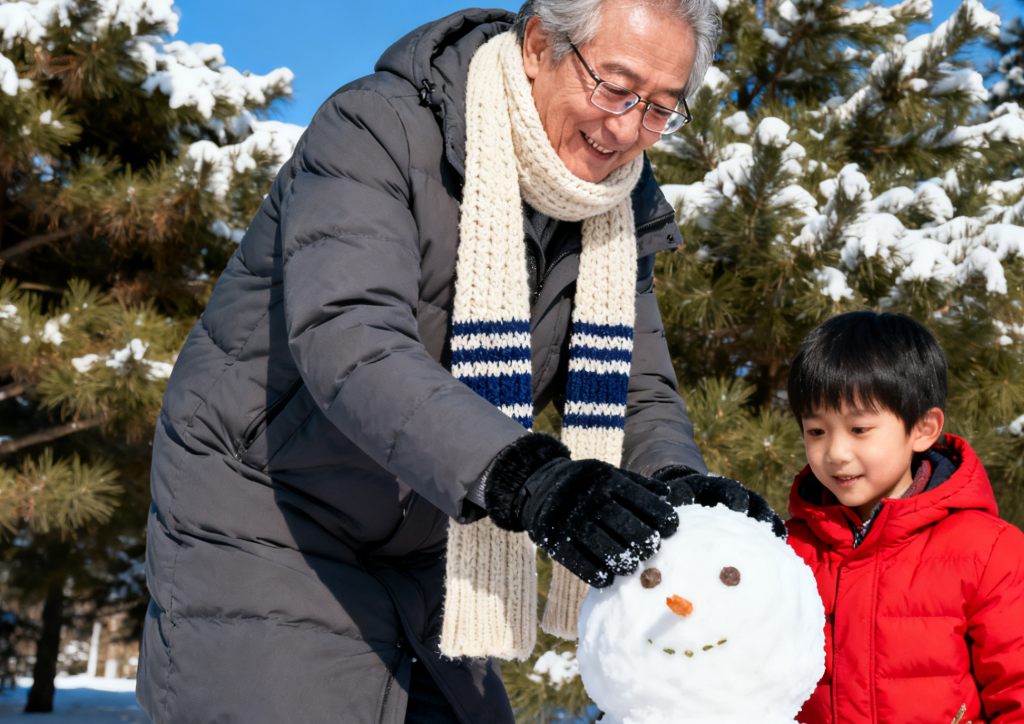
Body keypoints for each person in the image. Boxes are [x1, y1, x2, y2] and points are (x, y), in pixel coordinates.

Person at [134, 1, 779, 723]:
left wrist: (681, 488)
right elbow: (351, 337)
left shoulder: (617, 207)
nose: (627, 130)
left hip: (431, 531)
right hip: (268, 515)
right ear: (539, 45)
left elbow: (637, 390)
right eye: (615, 87)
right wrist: (531, 478)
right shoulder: (377, 129)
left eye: (660, 108)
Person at [783, 311, 1024, 723]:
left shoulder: (986, 551)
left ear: (923, 429)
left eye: (859, 429)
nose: (835, 452)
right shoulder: (787, 552)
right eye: (816, 431)